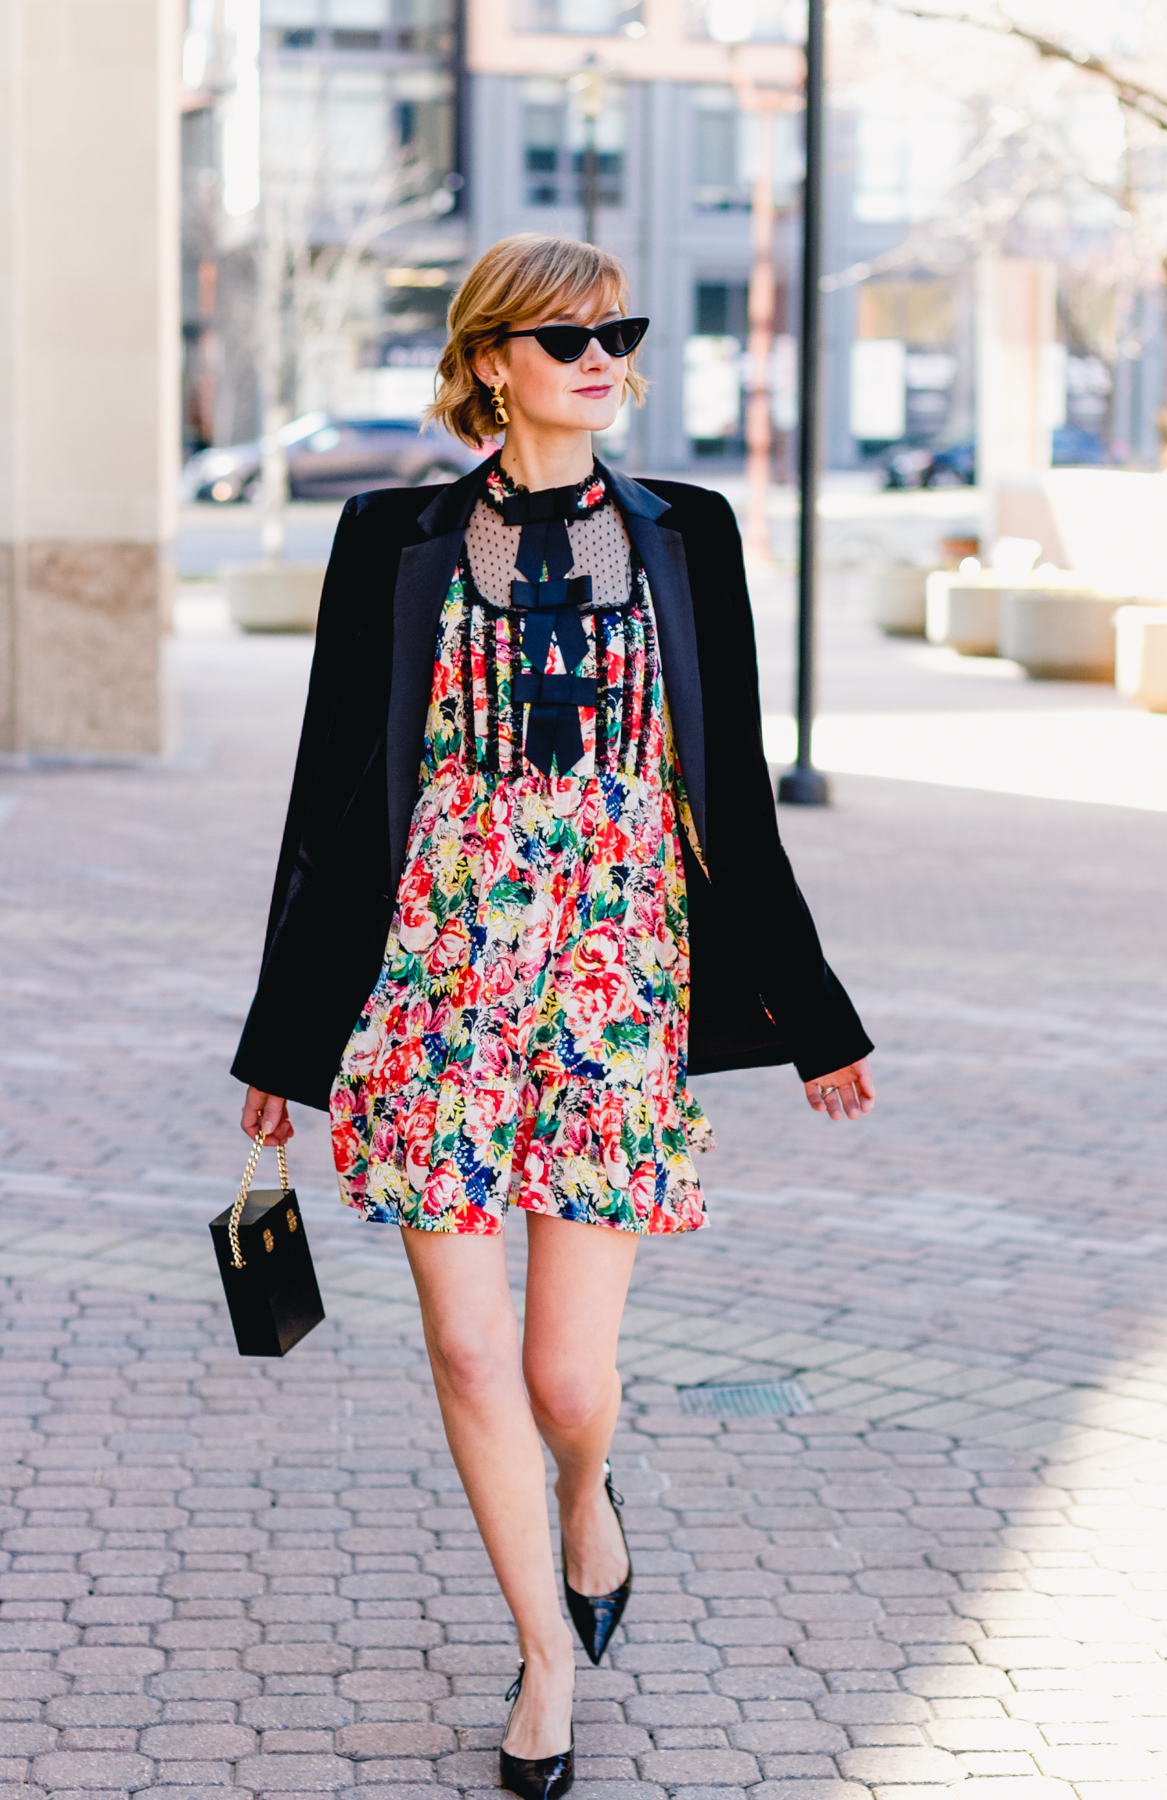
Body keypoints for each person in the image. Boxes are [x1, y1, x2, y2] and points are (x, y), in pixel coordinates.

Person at [232, 233, 874, 1800]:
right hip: (431, 986)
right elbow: (332, 793)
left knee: (566, 1383)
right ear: (492, 362)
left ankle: (589, 1499)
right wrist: (284, 1041)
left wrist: (816, 1011)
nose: (601, 357)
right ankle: (538, 1661)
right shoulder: (392, 538)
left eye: (617, 332)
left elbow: (728, 798)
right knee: (465, 1354)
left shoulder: (687, 535)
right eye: (565, 335)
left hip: (609, 987)